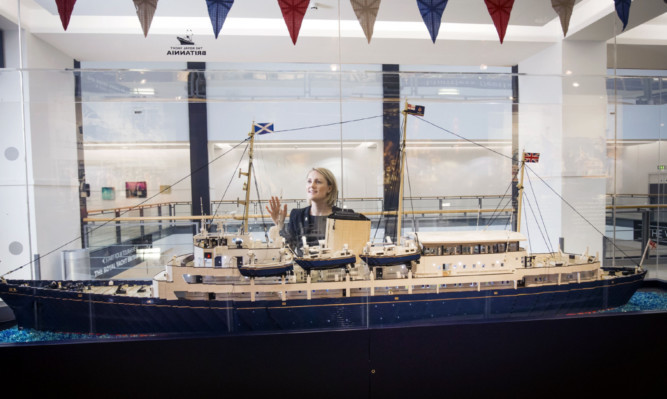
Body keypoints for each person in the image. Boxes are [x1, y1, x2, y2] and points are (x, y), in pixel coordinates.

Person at [266, 167, 343, 254]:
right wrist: (279, 224)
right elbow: (288, 250)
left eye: (318, 182)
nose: (312, 185)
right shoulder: (297, 215)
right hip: (304, 267)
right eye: (309, 181)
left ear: (329, 188)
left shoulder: (342, 216)